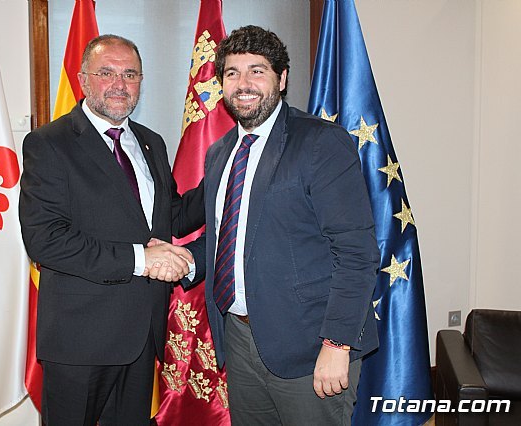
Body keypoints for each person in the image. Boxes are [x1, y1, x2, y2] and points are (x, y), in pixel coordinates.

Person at [177, 26, 380, 425]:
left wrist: (337, 343)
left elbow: (356, 253)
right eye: (232, 73)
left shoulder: (320, 142)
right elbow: (230, 238)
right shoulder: (220, 154)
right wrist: (183, 260)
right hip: (239, 341)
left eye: (257, 71)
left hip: (311, 345)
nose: (243, 84)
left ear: (282, 78)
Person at [19, 35, 203, 425]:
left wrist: (224, 174)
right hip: (79, 340)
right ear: (83, 80)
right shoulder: (49, 143)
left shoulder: (151, 142)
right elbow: (45, 240)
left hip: (141, 336)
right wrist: (141, 259)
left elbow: (168, 217)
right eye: (107, 73)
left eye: (130, 74)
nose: (120, 84)